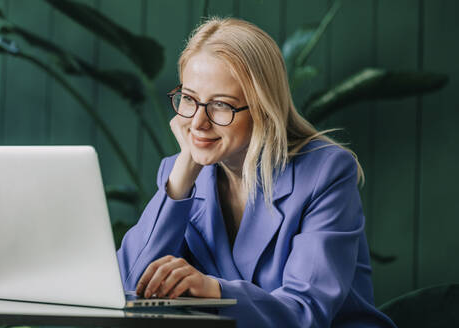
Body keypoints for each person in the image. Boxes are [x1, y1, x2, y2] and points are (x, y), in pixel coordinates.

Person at [117, 17, 396, 328]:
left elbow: (307, 311)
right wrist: (184, 171)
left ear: (263, 107)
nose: (197, 122)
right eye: (189, 99)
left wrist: (213, 290)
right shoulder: (180, 175)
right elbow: (128, 289)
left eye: (221, 105)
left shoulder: (326, 172)